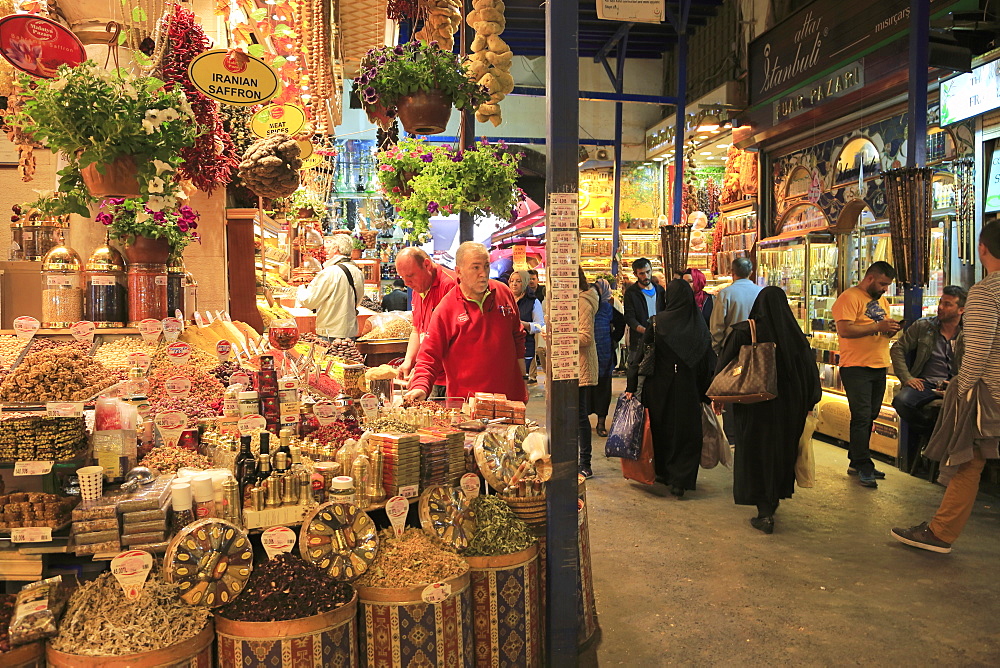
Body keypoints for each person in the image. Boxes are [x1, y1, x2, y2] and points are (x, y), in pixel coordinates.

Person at [891, 222, 1000, 553]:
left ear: (982, 249)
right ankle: (940, 530)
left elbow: (978, 352)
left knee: (967, 459)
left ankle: (940, 533)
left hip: (990, 395)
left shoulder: (986, 291)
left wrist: (959, 389)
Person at [716, 287, 822, 534]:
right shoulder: (794, 335)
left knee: (755, 452)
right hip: (790, 407)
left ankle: (763, 511)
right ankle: (772, 501)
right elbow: (810, 374)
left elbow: (725, 365)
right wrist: (809, 404)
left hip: (755, 405)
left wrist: (719, 397)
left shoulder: (745, 331)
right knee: (781, 453)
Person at [624, 280, 716, 497]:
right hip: (689, 389)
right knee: (687, 433)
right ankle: (681, 480)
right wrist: (706, 393)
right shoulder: (699, 324)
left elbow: (639, 357)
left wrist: (631, 385)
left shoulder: (657, 323)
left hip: (659, 388)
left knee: (661, 430)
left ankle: (663, 473)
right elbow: (707, 363)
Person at [404, 242, 527, 403]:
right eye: (476, 268)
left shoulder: (504, 292)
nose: (483, 273)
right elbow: (429, 356)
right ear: (459, 272)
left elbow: (518, 338)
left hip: (509, 401)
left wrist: (523, 382)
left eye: (486, 266)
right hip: (466, 407)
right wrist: (420, 386)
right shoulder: (446, 309)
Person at [832, 261, 901, 489]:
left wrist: (889, 330)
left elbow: (879, 328)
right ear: (870, 278)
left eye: (888, 285)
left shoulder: (882, 301)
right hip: (856, 367)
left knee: (870, 415)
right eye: (882, 283)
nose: (885, 289)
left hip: (878, 365)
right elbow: (845, 329)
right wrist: (877, 328)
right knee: (861, 416)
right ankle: (863, 463)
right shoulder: (849, 298)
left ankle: (856, 460)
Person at [889, 286, 966, 461]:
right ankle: (933, 435)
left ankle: (953, 450)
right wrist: (907, 378)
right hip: (927, 383)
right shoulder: (924, 326)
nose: (940, 307)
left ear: (961, 310)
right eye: (940, 302)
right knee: (902, 401)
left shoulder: (969, 332)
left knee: (971, 410)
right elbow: (898, 348)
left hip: (956, 385)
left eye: (947, 304)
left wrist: (958, 384)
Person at [394, 247, 457, 393]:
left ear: (427, 265)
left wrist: (421, 368)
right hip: (429, 375)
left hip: (449, 378)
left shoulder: (450, 285)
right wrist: (409, 360)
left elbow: (452, 339)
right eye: (402, 277)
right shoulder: (419, 288)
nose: (407, 282)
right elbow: (417, 329)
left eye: (410, 275)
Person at [296, 234, 364, 339]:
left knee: (330, 355)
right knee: (348, 355)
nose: (328, 252)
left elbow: (310, 301)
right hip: (350, 332)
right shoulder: (357, 271)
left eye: (330, 248)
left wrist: (300, 290)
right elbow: (358, 300)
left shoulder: (331, 272)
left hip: (330, 332)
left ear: (336, 248)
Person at [590, 278, 625, 437]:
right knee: (587, 388)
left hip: (604, 356)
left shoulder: (607, 308)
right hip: (588, 356)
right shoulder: (587, 306)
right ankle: (585, 421)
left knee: (603, 388)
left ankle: (601, 423)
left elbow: (621, 323)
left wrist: (613, 339)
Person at [710, 257, 763, 355]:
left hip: (731, 346)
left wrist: (717, 346)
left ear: (732, 272)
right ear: (751, 272)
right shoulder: (761, 292)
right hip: (755, 345)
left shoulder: (725, 293)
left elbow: (717, 325)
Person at [578, 271, 600, 477]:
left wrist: (562, 335)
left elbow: (585, 337)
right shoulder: (569, 299)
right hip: (568, 365)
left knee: (580, 415)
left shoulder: (583, 301)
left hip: (580, 365)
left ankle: (585, 463)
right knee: (573, 414)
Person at [623, 258, 665, 360]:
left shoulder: (660, 291)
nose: (646, 276)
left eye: (648, 272)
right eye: (642, 274)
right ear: (635, 274)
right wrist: (644, 330)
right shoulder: (631, 293)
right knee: (637, 371)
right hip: (639, 341)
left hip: (659, 339)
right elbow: (629, 317)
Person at [509, 270, 544, 382]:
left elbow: (540, 325)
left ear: (524, 283)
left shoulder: (533, 301)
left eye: (518, 281)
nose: (514, 284)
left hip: (525, 347)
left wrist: (524, 324)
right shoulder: (504, 299)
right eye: (512, 281)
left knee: (520, 381)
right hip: (506, 346)